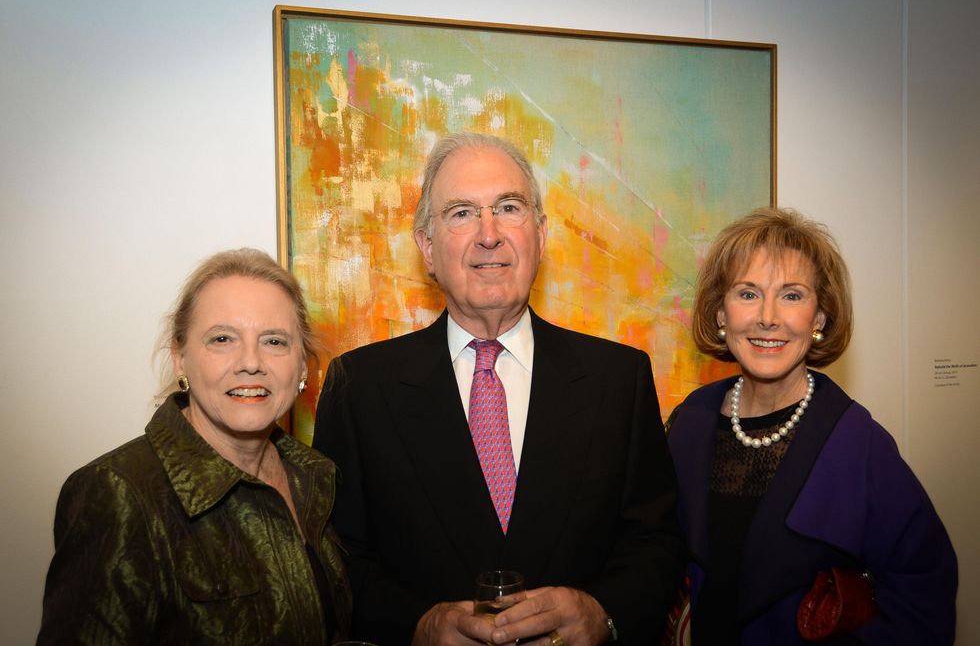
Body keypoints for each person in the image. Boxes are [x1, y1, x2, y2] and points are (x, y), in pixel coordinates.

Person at [313, 132, 684, 645]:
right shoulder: (358, 387)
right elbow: (337, 558)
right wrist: (418, 625)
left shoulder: (620, 380)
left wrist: (603, 613)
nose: (489, 235)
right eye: (461, 213)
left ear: (541, 233)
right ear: (427, 247)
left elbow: (655, 542)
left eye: (508, 208)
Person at [667, 208, 957, 645]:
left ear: (818, 318)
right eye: (747, 294)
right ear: (721, 314)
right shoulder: (690, 421)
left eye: (792, 296)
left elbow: (924, 592)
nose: (768, 317)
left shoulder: (858, 444)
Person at [37, 248, 351, 645]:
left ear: (302, 365)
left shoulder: (316, 477)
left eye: (274, 341)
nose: (250, 362)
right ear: (180, 358)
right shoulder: (119, 494)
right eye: (222, 339)